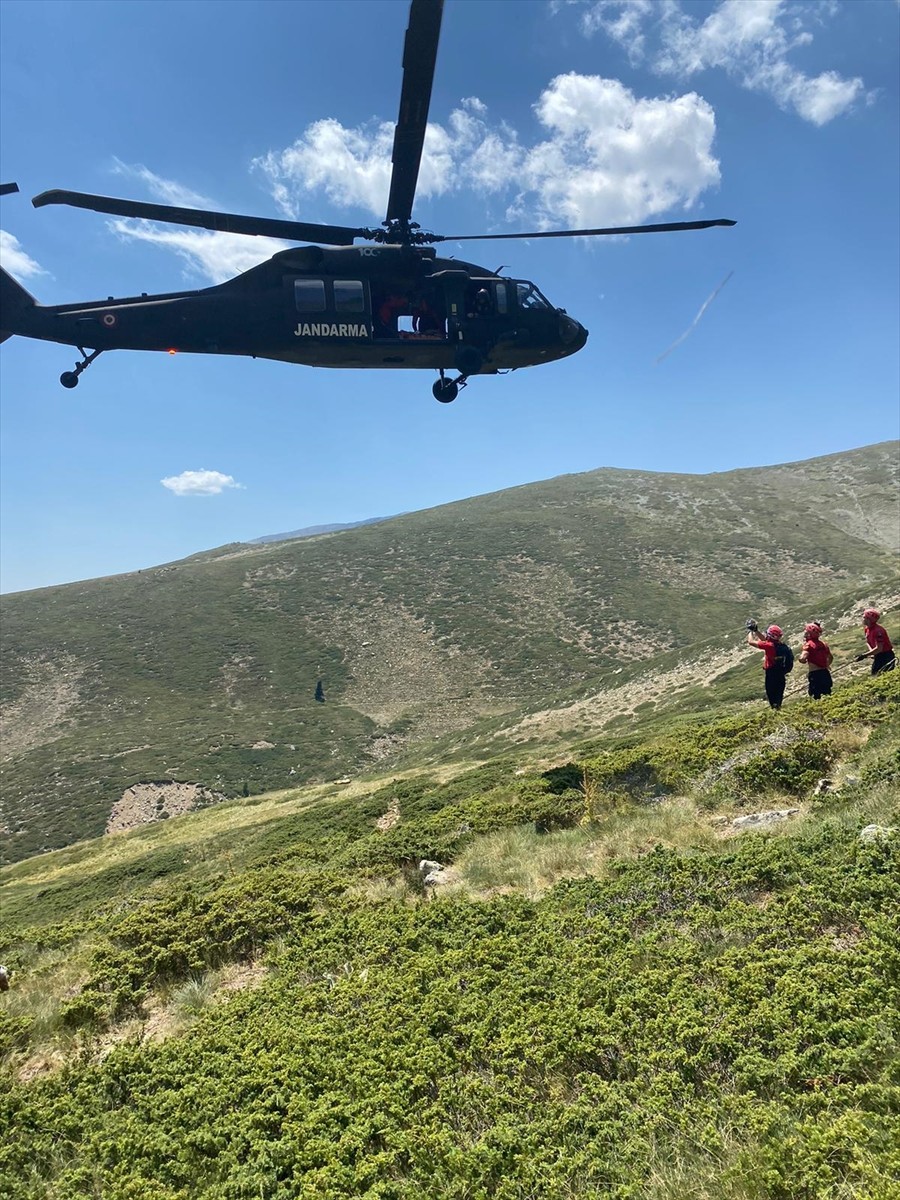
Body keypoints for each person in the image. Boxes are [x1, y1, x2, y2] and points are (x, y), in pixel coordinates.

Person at [746, 620, 789, 709]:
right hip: (780, 674)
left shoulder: (769, 646)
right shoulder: (781, 645)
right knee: (778, 698)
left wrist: (750, 631)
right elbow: (765, 639)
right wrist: (756, 631)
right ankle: (779, 712)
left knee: (772, 698)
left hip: (771, 674)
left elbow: (751, 642)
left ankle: (776, 715)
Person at [799, 621, 833, 699]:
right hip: (825, 672)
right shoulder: (823, 644)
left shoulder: (809, 645)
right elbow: (830, 657)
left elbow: (803, 657)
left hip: (815, 674)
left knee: (816, 697)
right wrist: (826, 665)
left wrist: (801, 659)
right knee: (828, 694)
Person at [856, 609, 895, 674]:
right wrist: (872, 653)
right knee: (875, 675)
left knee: (882, 675)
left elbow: (879, 648)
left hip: (886, 656)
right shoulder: (867, 629)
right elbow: (868, 642)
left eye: (864, 617)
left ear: (869, 620)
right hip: (878, 655)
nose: (862, 619)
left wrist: (864, 655)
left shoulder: (878, 631)